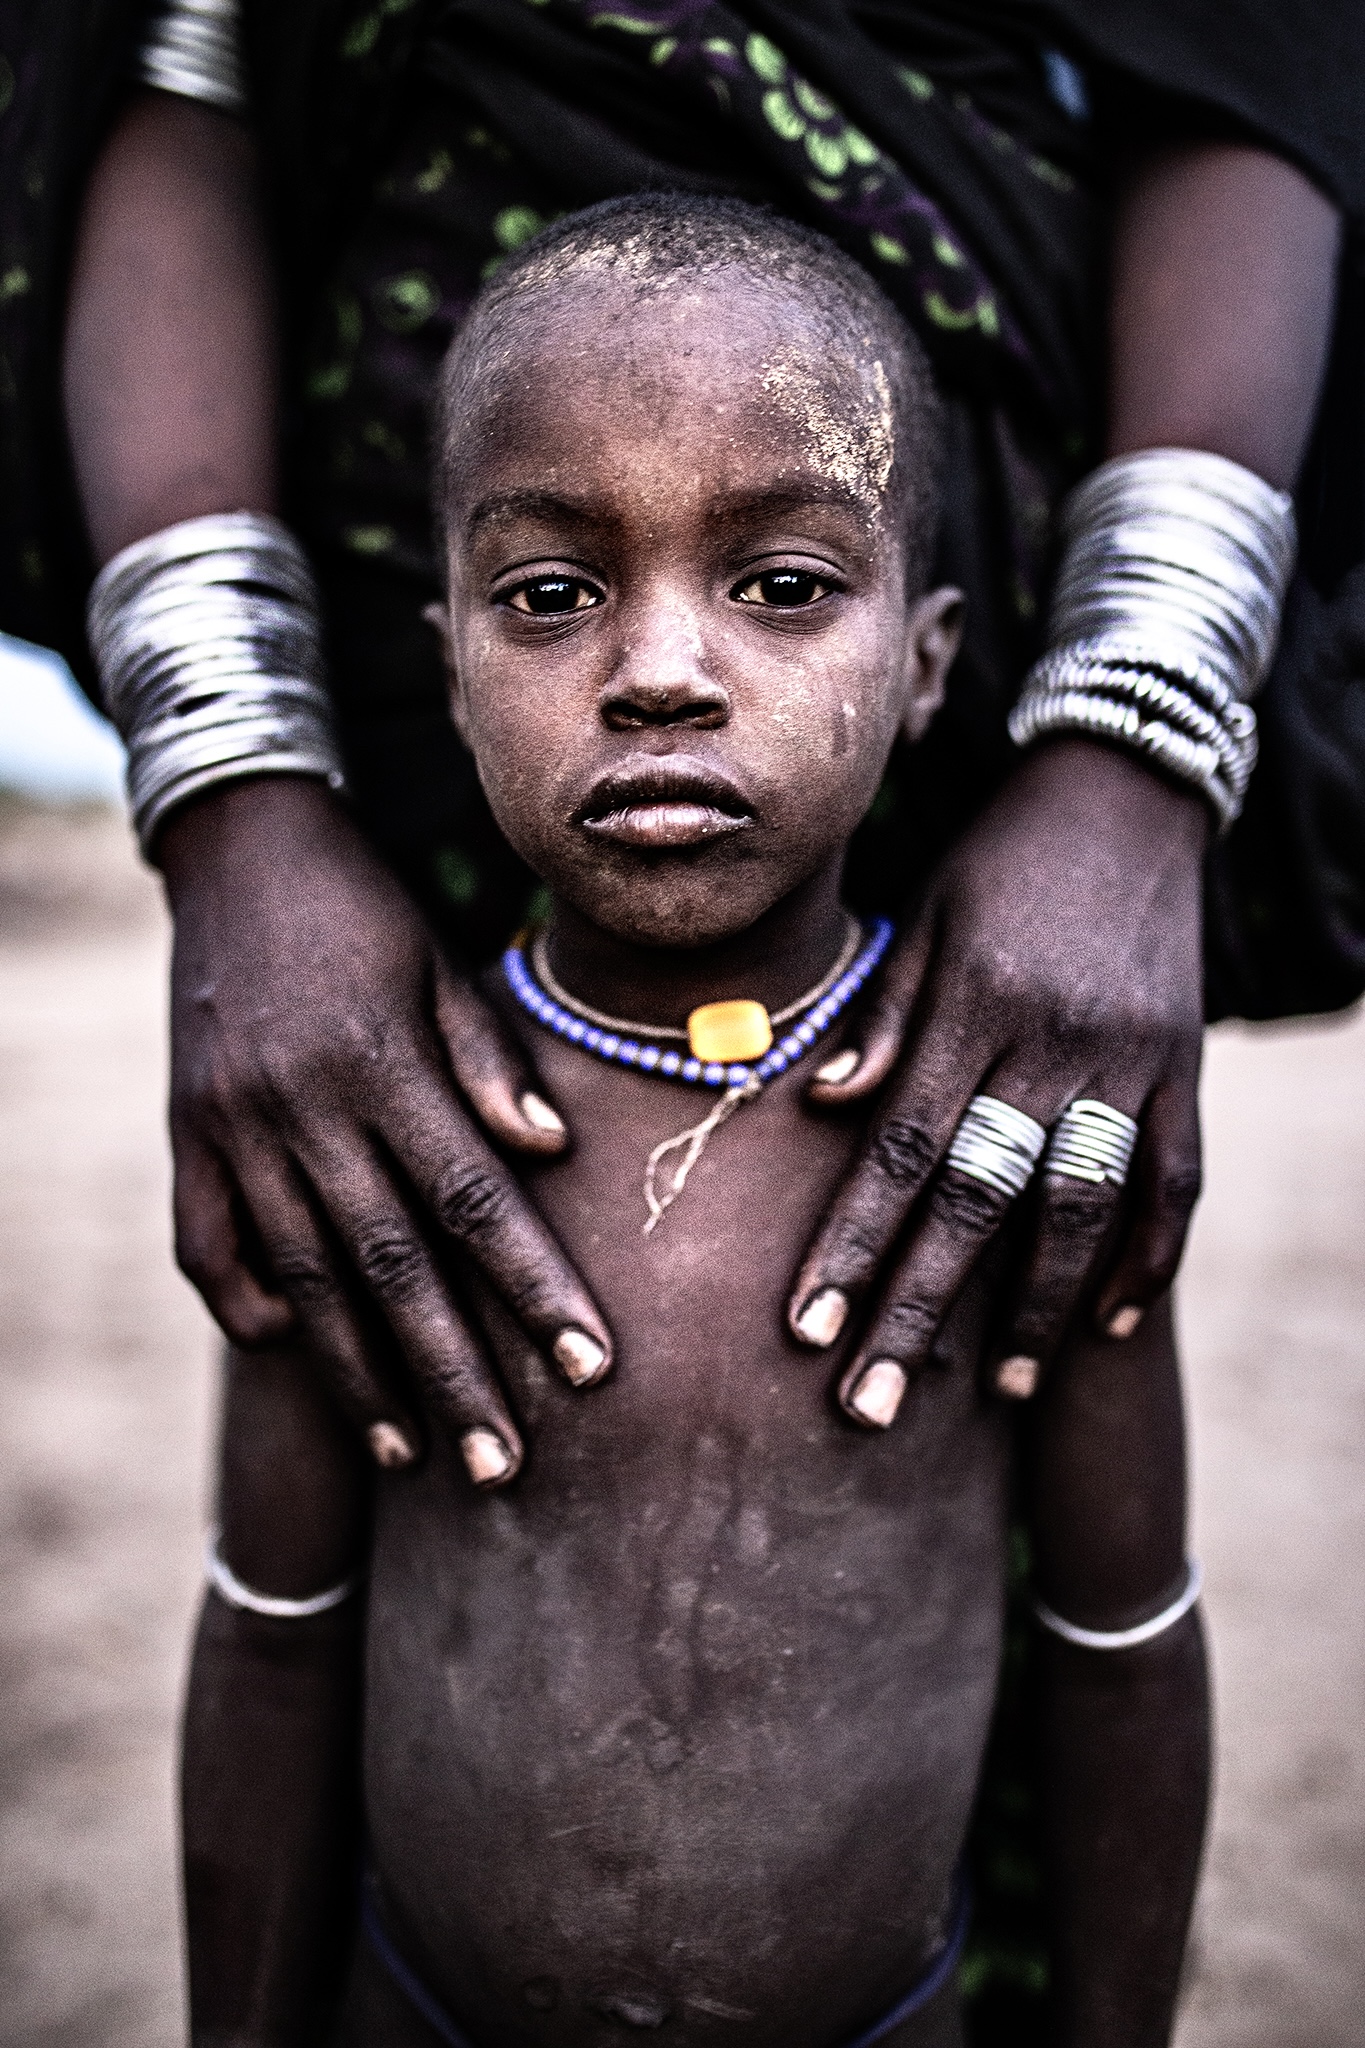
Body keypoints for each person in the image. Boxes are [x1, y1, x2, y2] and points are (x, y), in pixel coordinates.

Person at [183, 194, 1209, 2048]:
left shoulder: (1015, 1133)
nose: (659, 669)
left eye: (784, 584)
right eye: (550, 594)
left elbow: (1121, 1657)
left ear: (924, 664)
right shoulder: (378, 1136)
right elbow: (270, 1637)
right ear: (448, 663)